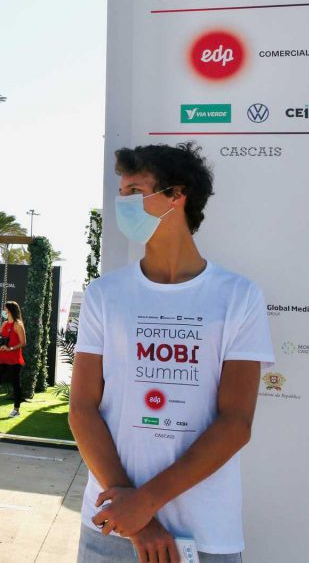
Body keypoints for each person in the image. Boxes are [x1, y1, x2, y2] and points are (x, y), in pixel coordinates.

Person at [70, 143, 273, 563]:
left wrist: (145, 503)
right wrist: (135, 516)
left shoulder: (238, 297)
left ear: (176, 196)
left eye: (135, 191)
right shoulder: (105, 295)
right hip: (111, 525)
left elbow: (236, 423)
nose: (123, 203)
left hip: (205, 532)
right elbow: (82, 410)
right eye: (121, 192)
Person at [0, 300, 26, 418]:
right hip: (1, 358)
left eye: (5, 309)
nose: (3, 311)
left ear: (10, 310)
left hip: (14, 359)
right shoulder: (4, 324)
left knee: (15, 384)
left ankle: (16, 409)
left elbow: (23, 343)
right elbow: (2, 340)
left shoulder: (18, 325)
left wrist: (11, 348)